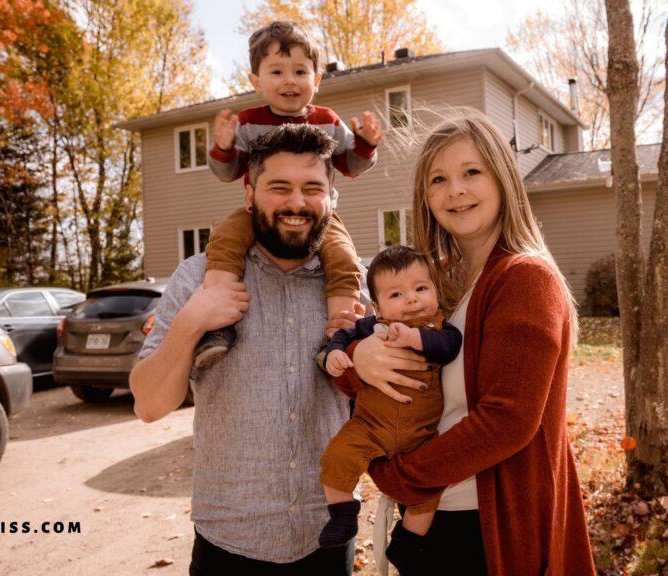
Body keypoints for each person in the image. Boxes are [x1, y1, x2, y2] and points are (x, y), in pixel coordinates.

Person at [336, 112, 597, 575]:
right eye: (439, 179)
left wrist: (398, 476)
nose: (455, 189)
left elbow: (507, 420)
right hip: (436, 520)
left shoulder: (524, 278)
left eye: (471, 172)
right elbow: (375, 360)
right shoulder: (437, 284)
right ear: (426, 196)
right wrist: (359, 357)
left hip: (485, 529)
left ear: (503, 179)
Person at [129, 124, 366, 575]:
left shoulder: (354, 290)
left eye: (312, 188)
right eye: (279, 188)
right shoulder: (197, 276)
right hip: (228, 542)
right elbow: (149, 405)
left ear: (332, 199)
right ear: (249, 194)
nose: (297, 203)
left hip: (329, 539)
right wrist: (192, 320)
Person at [195, 20, 383, 368]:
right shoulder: (249, 122)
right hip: (259, 214)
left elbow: (350, 166)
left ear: (317, 79)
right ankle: (217, 326)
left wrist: (367, 145)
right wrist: (223, 147)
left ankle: (339, 336)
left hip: (320, 220)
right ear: (256, 81)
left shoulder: (327, 120)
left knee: (343, 258)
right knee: (224, 240)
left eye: (300, 71)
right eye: (277, 71)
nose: (290, 81)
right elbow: (228, 172)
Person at [318, 245, 462, 550]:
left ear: (435, 291)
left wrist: (414, 337)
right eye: (396, 295)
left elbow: (450, 346)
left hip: (421, 435)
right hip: (370, 426)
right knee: (337, 456)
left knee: (428, 492)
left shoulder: (439, 328)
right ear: (377, 307)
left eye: (421, 288)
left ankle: (407, 541)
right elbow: (343, 335)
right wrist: (334, 354)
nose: (411, 298)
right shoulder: (373, 326)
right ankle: (342, 514)